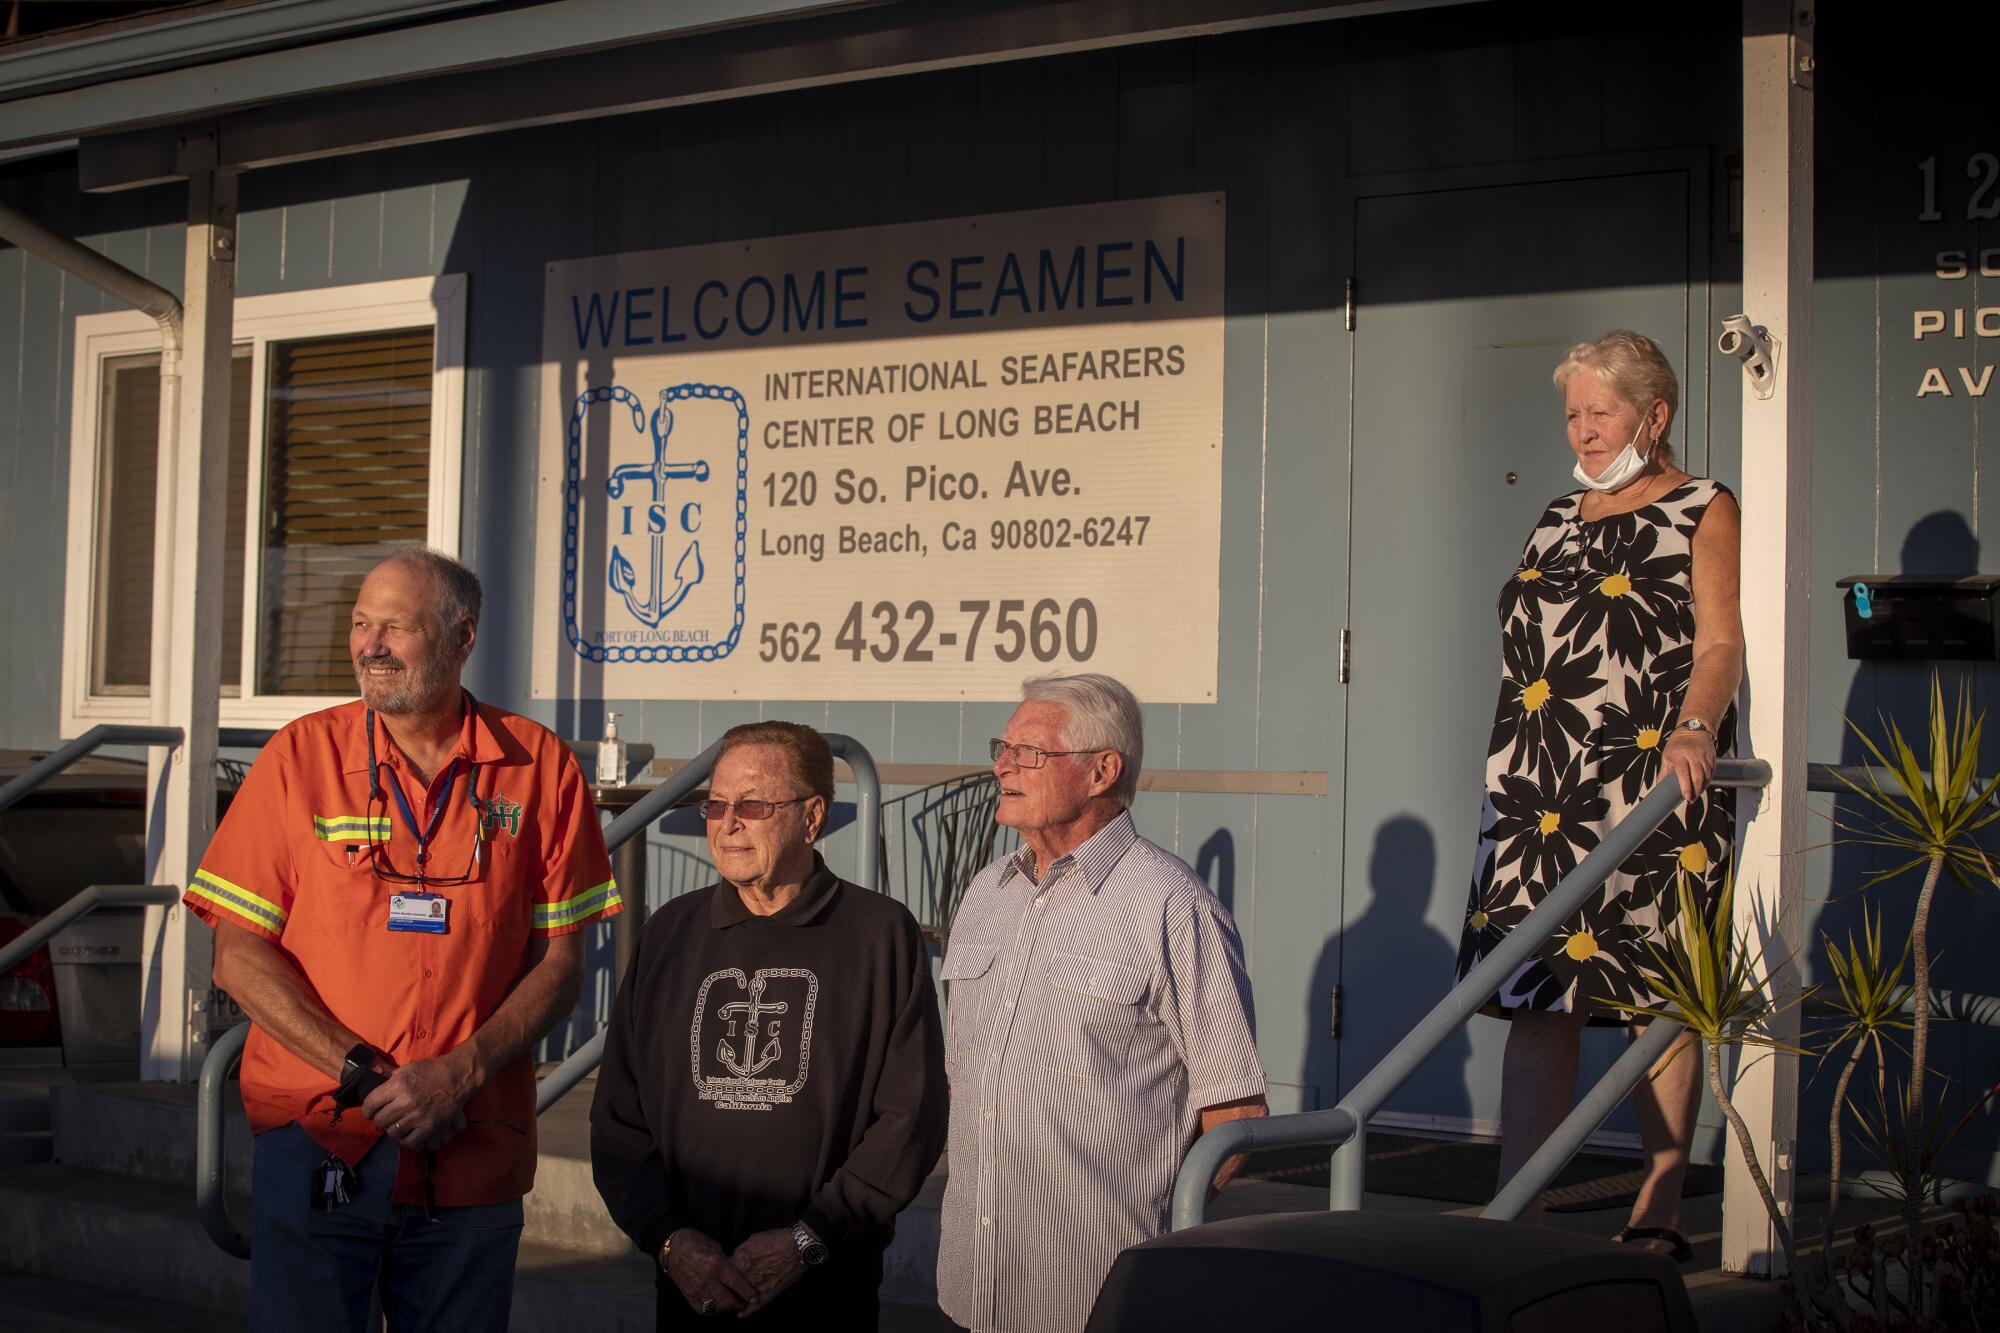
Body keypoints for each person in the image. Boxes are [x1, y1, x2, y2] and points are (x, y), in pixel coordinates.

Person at [185, 547, 622, 1331]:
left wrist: (458, 1072)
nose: (370, 644)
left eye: (396, 626)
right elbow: (238, 954)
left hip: (472, 1144)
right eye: (360, 623)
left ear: (462, 638)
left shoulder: (540, 766)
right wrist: (365, 1072)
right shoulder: (299, 758)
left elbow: (562, 962)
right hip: (323, 1138)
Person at [1453, 330, 1743, 1261]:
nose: (1582, 430)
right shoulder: (1555, 513)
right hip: (1540, 787)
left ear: (1653, 415)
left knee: (1656, 990)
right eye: (1573, 413)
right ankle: (1520, 1206)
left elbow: (1721, 643)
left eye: (1600, 412)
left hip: (1651, 782)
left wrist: (1693, 726)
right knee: (1542, 993)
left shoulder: (1704, 507)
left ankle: (1659, 1200)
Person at [936, 673, 1267, 1333]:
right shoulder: (984, 892)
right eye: (1002, 746)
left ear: (1101, 771)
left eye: (1029, 751)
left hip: (1095, 1300)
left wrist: (1162, 1245)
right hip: (967, 1293)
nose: (1002, 764)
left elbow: (1235, 1117)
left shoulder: (1172, 904)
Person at [590, 721, 948, 1329]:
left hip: (826, 1288)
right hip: (690, 1289)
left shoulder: (879, 936)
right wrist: (672, 1241)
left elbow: (910, 1120)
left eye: (753, 805)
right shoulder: (671, 934)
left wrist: (809, 1239)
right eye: (716, 804)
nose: (728, 822)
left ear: (812, 818)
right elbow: (619, 1117)